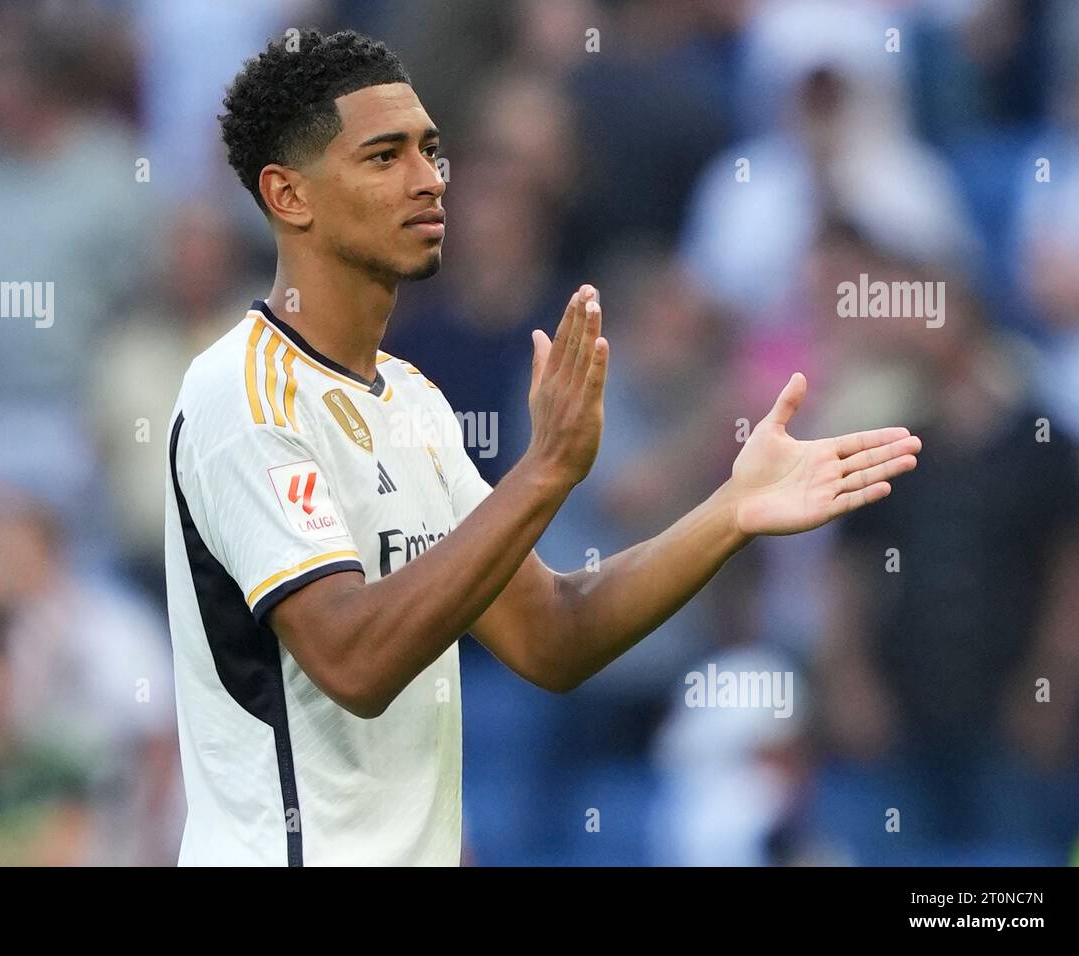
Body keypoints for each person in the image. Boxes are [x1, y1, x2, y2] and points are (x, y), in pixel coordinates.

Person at [164, 28, 921, 866]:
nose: (429, 180)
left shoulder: (410, 399)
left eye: (431, 150)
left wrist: (730, 512)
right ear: (288, 195)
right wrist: (546, 473)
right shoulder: (241, 392)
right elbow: (354, 659)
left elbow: (552, 634)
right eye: (384, 157)